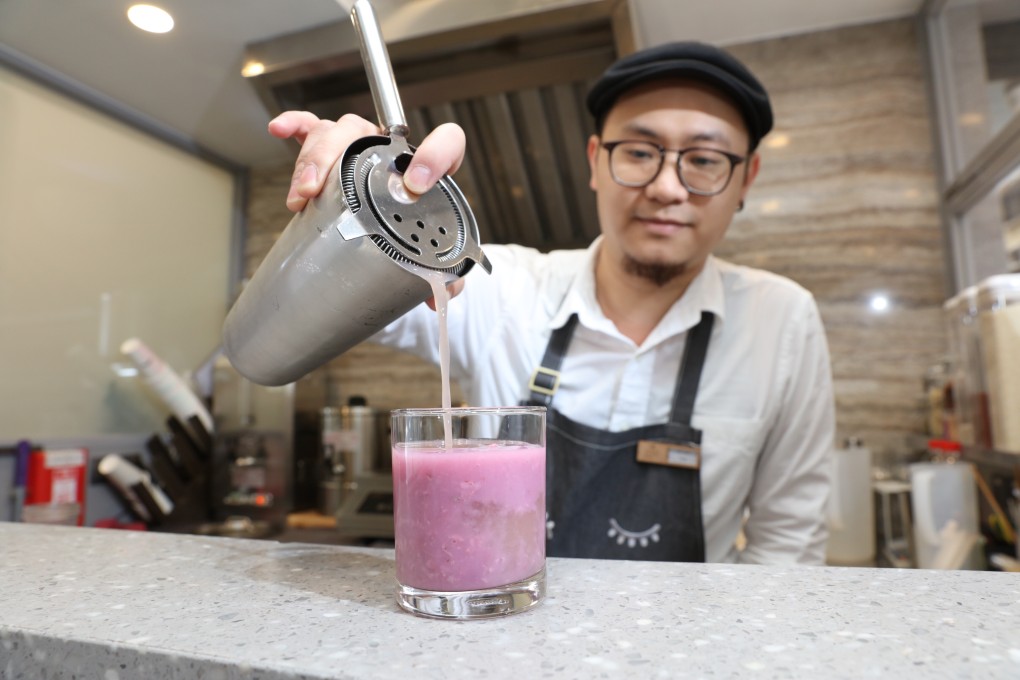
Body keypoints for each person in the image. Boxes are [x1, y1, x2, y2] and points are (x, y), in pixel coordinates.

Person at [270, 42, 835, 565]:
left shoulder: (780, 320)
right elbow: (300, 324)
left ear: (747, 179)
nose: (667, 187)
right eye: (639, 152)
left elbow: (789, 543)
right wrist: (345, 213)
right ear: (594, 160)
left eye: (706, 160)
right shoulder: (499, 289)